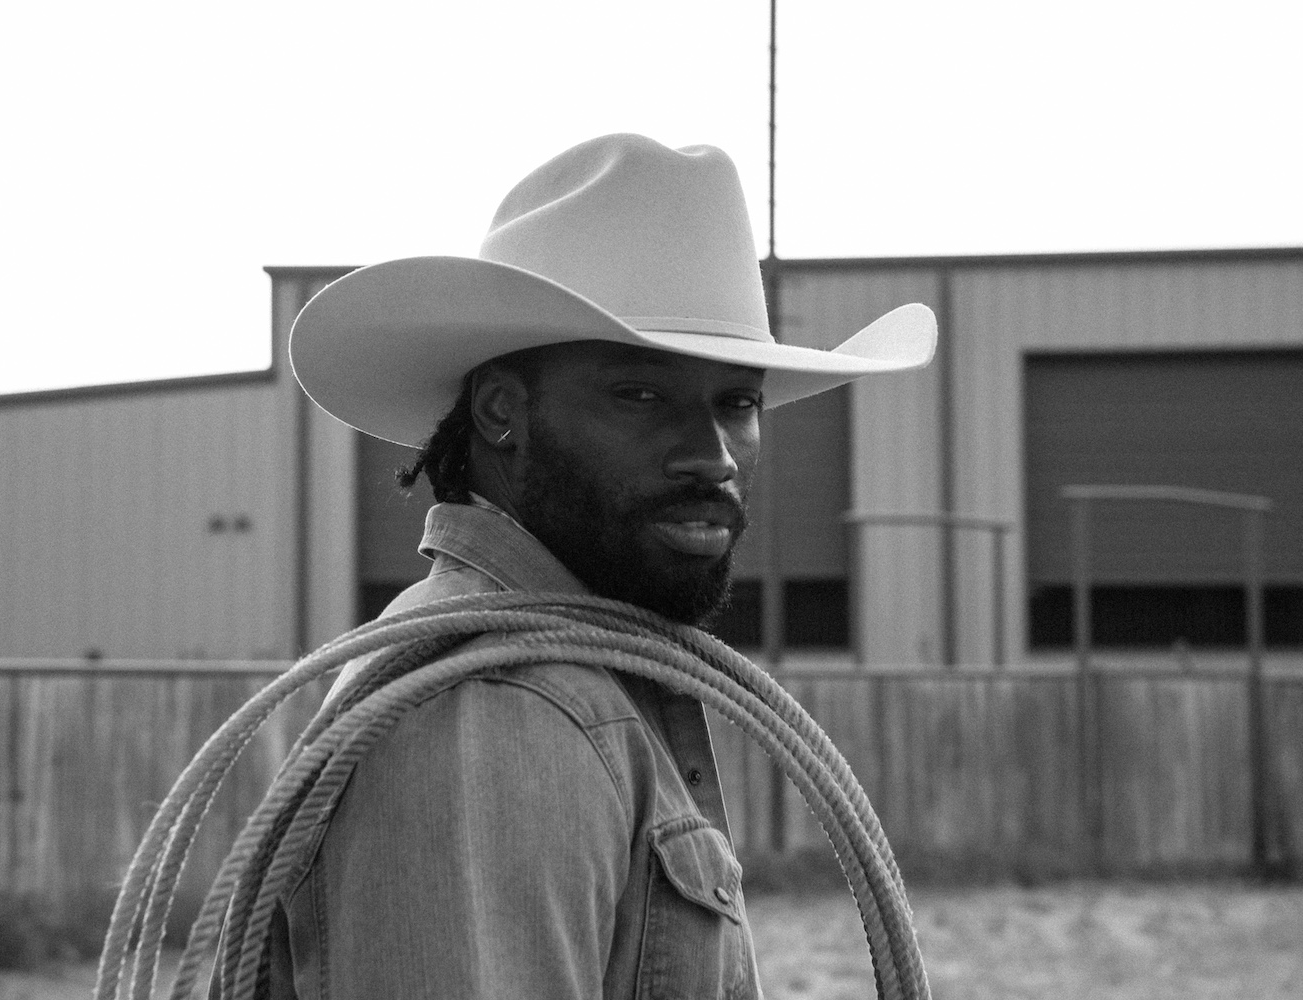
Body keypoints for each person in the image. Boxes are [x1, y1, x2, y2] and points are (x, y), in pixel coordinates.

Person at [277, 133, 935, 999]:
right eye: (641, 394)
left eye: (738, 402)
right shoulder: (500, 710)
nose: (713, 456)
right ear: (503, 412)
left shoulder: (577, 683)